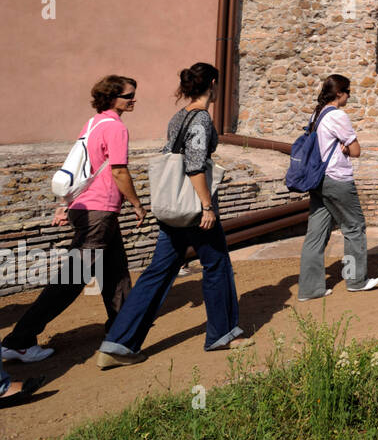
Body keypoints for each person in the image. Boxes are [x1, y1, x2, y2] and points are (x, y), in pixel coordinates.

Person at [96, 63, 251, 368]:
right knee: (217, 265)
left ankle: (118, 342)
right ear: (214, 84)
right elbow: (194, 165)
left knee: (158, 272)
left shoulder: (177, 117)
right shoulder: (202, 119)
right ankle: (223, 334)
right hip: (194, 209)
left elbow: (171, 155)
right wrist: (207, 206)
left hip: (171, 209)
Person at [1, 75, 144, 364]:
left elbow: (78, 170)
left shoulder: (91, 124)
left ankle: (121, 329)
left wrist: (66, 205)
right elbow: (118, 171)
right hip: (98, 212)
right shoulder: (116, 128)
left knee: (115, 271)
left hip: (86, 207)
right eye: (128, 95)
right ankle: (19, 340)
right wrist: (137, 203)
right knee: (71, 279)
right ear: (113, 98)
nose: (133, 99)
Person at [297, 74, 378, 301]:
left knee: (315, 235)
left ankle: (309, 289)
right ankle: (355, 280)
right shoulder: (337, 115)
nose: (349, 96)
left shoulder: (316, 113)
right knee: (354, 227)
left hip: (317, 180)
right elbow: (356, 150)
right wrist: (345, 148)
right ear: (339, 94)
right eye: (348, 92)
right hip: (337, 179)